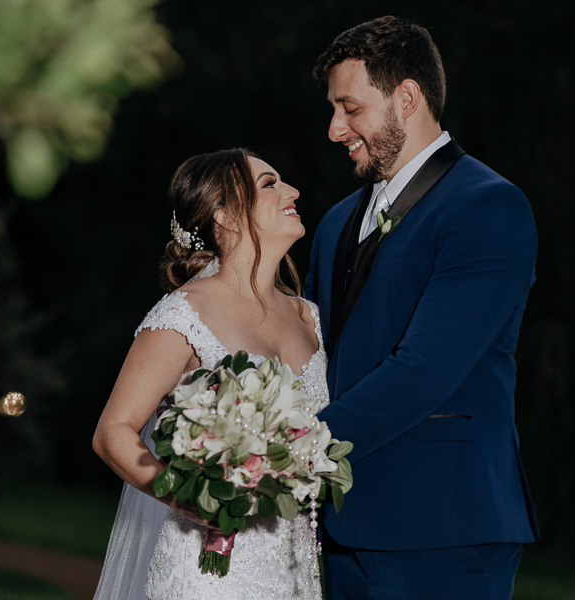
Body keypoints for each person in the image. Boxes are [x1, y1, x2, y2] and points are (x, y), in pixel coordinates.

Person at [305, 15, 540, 599]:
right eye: (334, 110)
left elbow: (425, 369)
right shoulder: (335, 222)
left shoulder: (488, 208)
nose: (335, 128)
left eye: (350, 107)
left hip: (445, 527)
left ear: (406, 97)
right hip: (339, 524)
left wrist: (291, 449)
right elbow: (309, 353)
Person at [92, 148, 327, 600]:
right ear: (226, 216)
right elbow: (113, 432)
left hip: (296, 570)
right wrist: (188, 500)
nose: (293, 191)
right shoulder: (185, 313)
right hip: (208, 569)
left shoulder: (311, 318)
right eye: (269, 183)